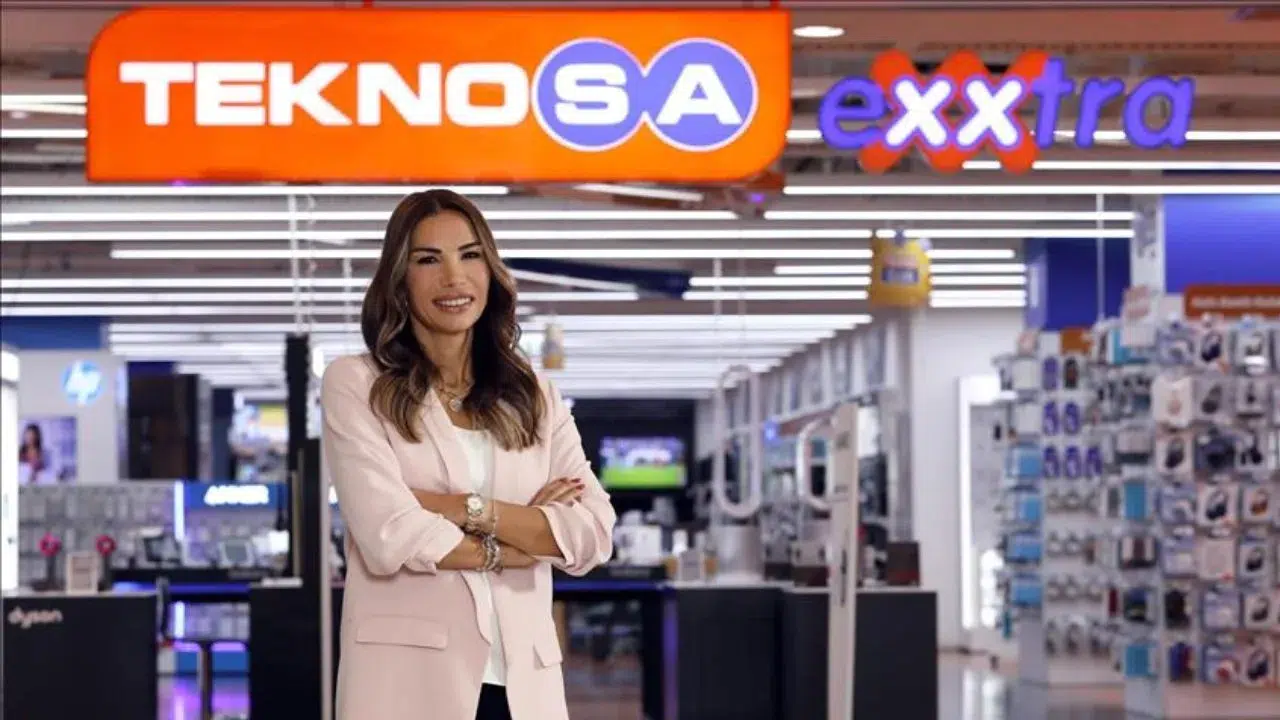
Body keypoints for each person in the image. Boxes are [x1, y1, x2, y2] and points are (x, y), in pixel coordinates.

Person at [322, 189, 617, 720]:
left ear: (490, 270)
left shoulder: (533, 395)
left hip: (524, 685)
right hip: (408, 685)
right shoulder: (356, 384)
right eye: (428, 260)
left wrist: (461, 509)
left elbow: (592, 532)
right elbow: (388, 533)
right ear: (399, 279)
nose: (453, 278)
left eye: (470, 255)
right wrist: (521, 540)